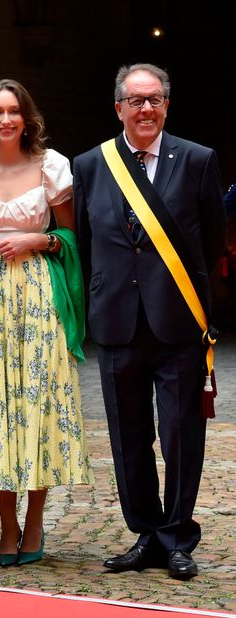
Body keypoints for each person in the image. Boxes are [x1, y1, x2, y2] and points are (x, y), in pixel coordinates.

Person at [74, 64, 226, 580]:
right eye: (136, 101)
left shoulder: (199, 160)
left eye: (155, 99)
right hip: (117, 319)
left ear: (166, 106)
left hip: (177, 319)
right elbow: (88, 242)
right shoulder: (91, 165)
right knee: (129, 435)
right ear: (118, 107)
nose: (146, 109)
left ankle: (178, 536)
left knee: (182, 432)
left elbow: (209, 241)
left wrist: (189, 298)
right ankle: (146, 531)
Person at [0, 79, 90, 567]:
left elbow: (70, 236)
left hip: (37, 291)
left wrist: (36, 241)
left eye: (13, 111)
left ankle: (33, 525)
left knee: (37, 404)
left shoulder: (53, 166)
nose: (5, 120)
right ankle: (6, 527)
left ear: (26, 117)